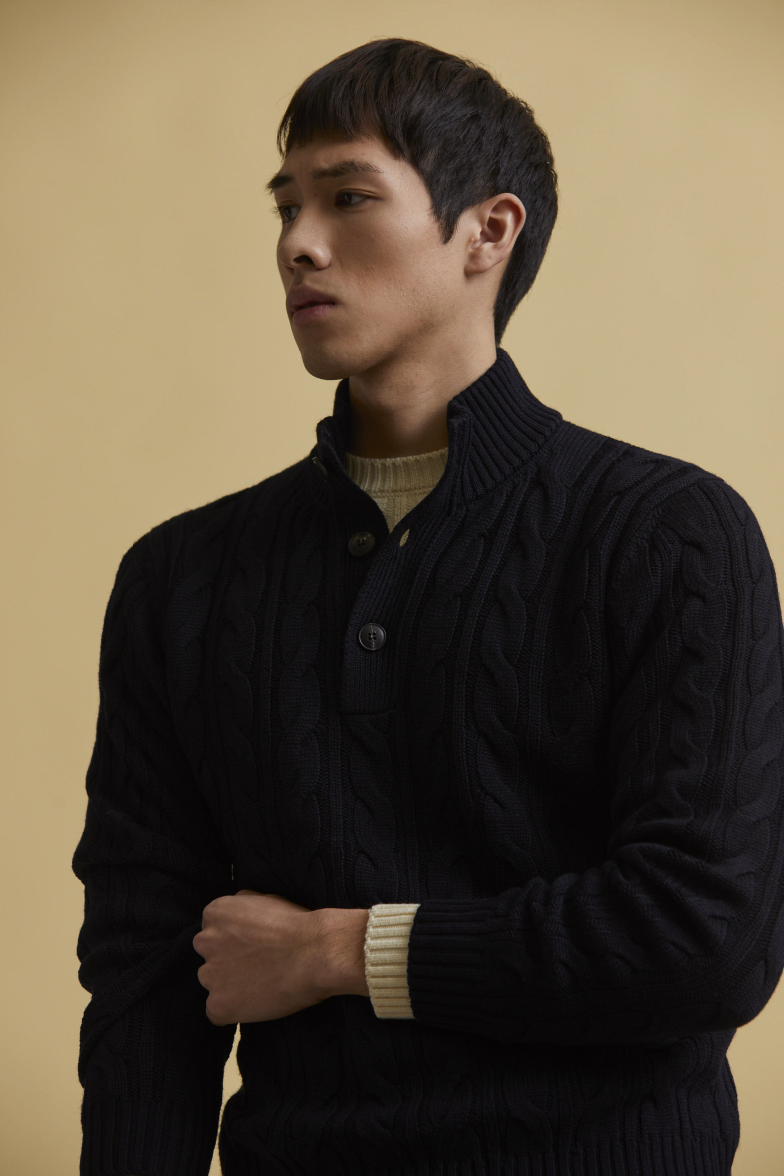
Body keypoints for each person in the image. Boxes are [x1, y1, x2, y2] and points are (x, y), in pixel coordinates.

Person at [72, 35, 784, 1176]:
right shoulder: (180, 577)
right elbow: (146, 974)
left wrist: (341, 953)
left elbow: (706, 939)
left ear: (486, 233)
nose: (297, 242)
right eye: (286, 206)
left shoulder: (672, 534)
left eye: (348, 197)